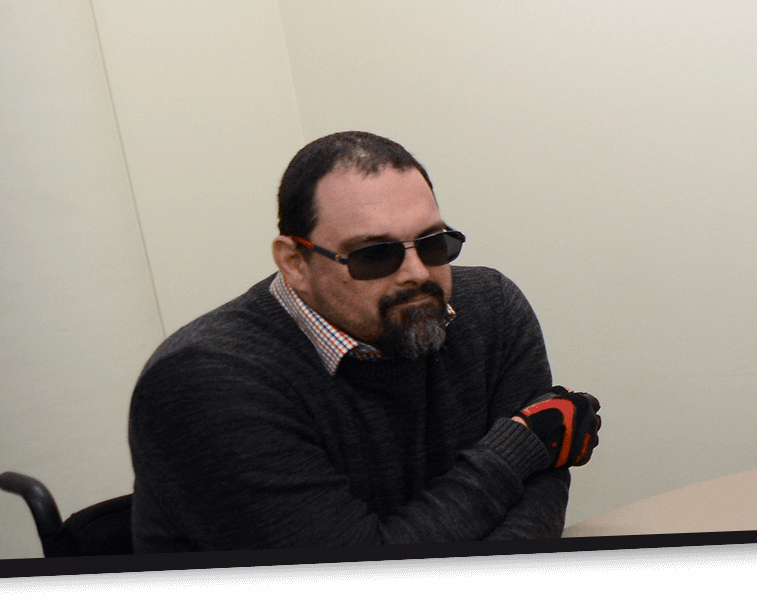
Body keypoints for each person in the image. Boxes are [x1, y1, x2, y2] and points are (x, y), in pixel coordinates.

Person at [128, 131, 601, 551]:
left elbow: (544, 474)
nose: (418, 274)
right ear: (294, 262)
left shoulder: (491, 309)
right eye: (375, 254)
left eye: (434, 243)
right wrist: (512, 450)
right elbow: (533, 450)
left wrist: (532, 452)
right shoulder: (207, 381)